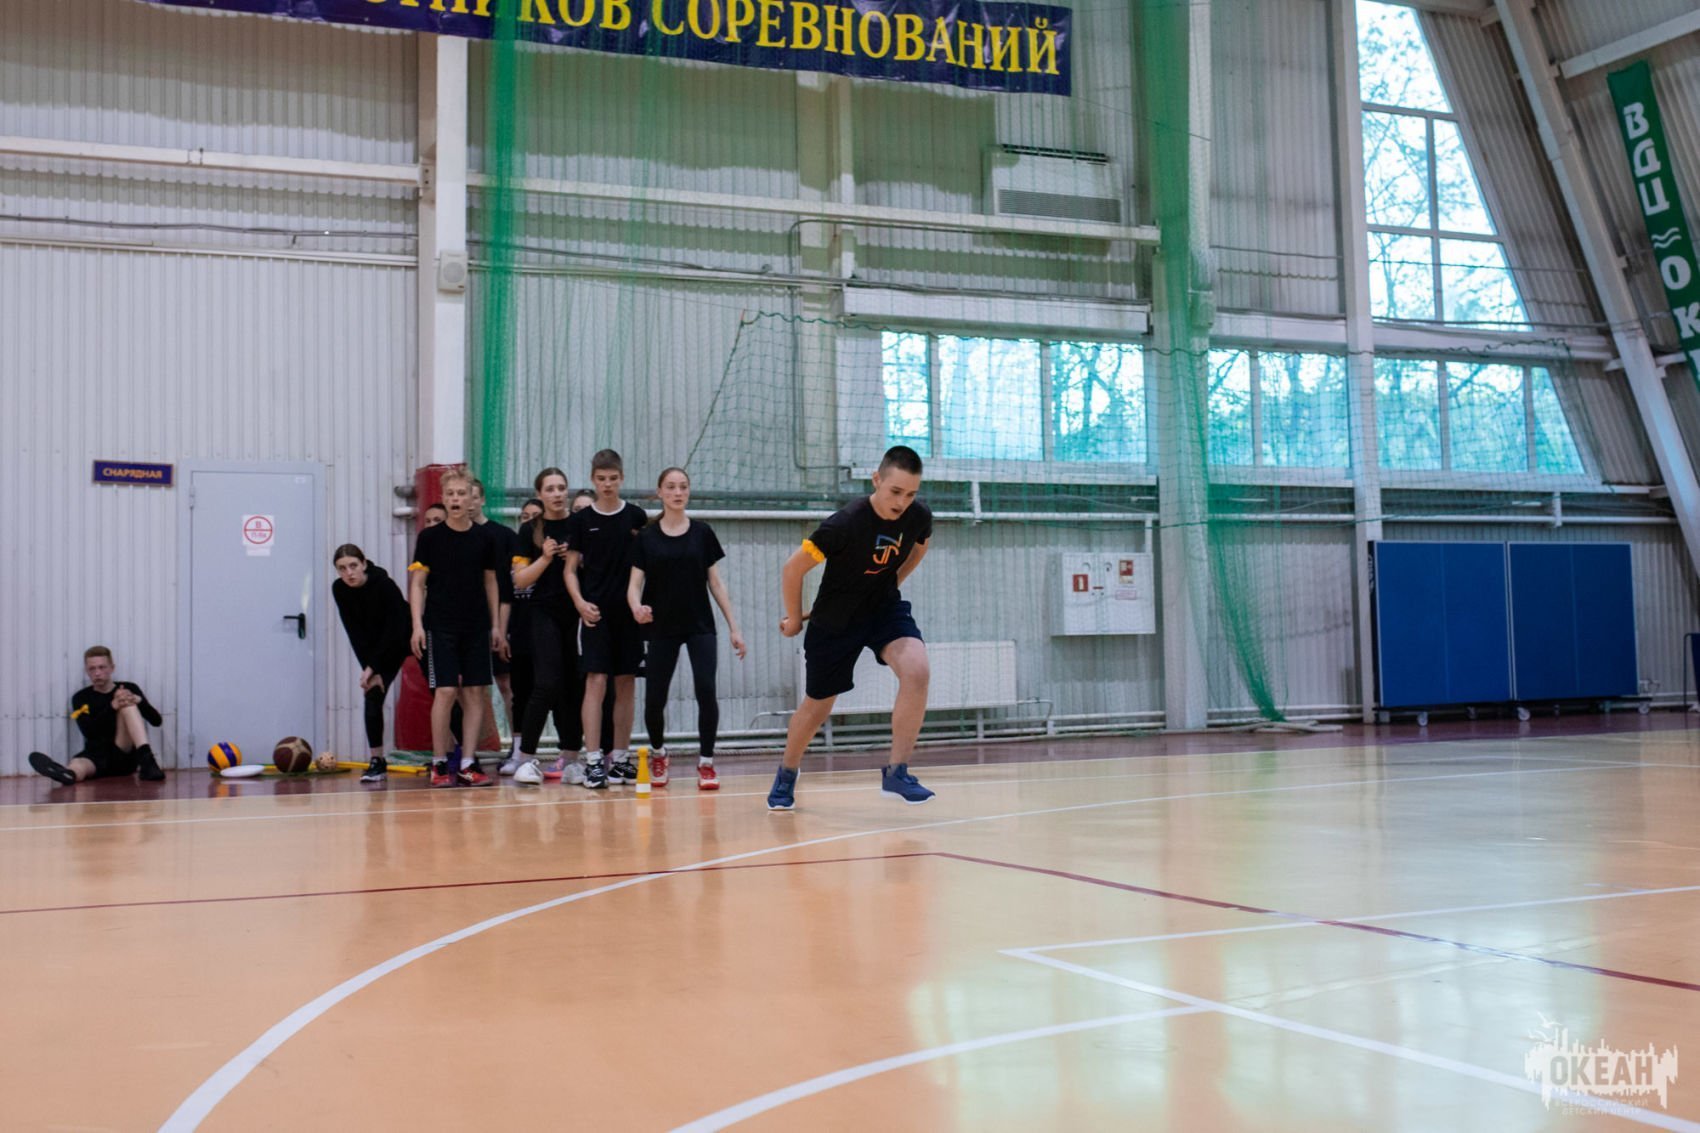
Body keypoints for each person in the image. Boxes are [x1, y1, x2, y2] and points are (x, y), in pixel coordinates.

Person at [768, 445, 936, 810]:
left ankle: (897, 772)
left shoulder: (918, 516)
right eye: (895, 491)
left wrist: (891, 583)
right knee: (817, 707)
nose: (902, 502)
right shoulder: (843, 525)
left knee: (917, 669)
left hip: (882, 609)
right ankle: (787, 772)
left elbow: (919, 549)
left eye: (911, 494)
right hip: (835, 620)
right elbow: (793, 569)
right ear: (876, 480)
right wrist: (794, 619)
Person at [628, 467, 745, 791]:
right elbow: (634, 585)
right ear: (660, 492)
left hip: (699, 625)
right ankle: (659, 753)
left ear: (688, 491)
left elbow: (716, 583)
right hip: (661, 627)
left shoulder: (702, 533)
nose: (677, 492)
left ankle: (706, 762)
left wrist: (734, 628)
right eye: (671, 487)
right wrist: (636, 607)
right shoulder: (647, 537)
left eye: (682, 487)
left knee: (706, 689)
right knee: (655, 698)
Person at [408, 468, 502, 787]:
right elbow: (417, 584)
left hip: (476, 626)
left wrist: (495, 626)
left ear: (472, 498)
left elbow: (491, 582)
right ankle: (439, 763)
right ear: (444, 498)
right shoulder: (430, 538)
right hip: (440, 626)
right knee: (446, 690)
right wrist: (417, 625)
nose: (456, 499)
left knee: (475, 692)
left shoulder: (484, 538)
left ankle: (467, 763)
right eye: (450, 494)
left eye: (462, 493)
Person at [564, 449, 649, 789]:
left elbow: (645, 565)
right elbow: (570, 570)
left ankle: (621, 759)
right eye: (601, 479)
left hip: (628, 614)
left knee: (626, 682)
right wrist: (580, 603)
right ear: (593, 480)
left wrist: (641, 604)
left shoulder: (636, 517)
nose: (608, 484)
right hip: (595, 614)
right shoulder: (581, 521)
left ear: (622, 478)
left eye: (613, 478)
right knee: (596, 682)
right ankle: (594, 761)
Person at [509, 468, 587, 786]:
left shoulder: (580, 525)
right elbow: (519, 580)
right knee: (546, 683)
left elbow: (594, 567)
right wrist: (545, 558)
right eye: (550, 489)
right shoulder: (530, 530)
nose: (557, 494)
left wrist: (577, 560)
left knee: (574, 687)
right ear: (539, 494)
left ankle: (571, 759)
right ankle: (526, 759)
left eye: (561, 488)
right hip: (544, 613)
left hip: (577, 613)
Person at [331, 544, 411, 783]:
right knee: (372, 693)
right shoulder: (339, 589)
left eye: (353, 566)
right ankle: (377, 761)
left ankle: (462, 756)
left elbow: (396, 628)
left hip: (407, 636)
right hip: (379, 646)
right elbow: (354, 631)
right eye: (342, 569)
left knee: (440, 691)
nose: (349, 573)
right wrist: (369, 669)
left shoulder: (384, 584)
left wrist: (374, 664)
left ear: (364, 564)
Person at [29, 646, 166, 784]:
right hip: (96, 755)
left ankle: (148, 762)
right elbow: (90, 732)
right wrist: (112, 707)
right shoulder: (81, 697)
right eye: (92, 669)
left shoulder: (128, 688)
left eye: (102, 667)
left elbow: (156, 721)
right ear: (86, 671)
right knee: (78, 763)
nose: (97, 673)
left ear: (112, 668)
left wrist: (139, 701)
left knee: (127, 704)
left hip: (122, 754)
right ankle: (68, 774)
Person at [470, 480, 517, 751]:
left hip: (498, 620)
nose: (469, 502)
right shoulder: (454, 537)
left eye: (474, 497)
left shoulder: (503, 536)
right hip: (468, 623)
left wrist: (500, 626)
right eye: (464, 496)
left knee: (506, 683)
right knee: (469, 689)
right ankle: (468, 751)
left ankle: (518, 745)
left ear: (482, 500)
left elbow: (506, 586)